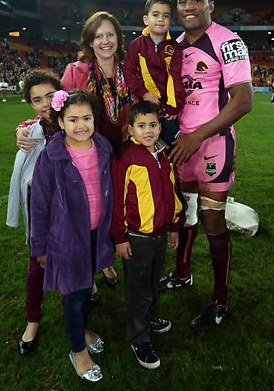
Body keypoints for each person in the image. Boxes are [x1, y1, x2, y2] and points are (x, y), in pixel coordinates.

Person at [159, 0, 253, 332]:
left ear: (210, 6)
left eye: (197, 0)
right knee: (184, 214)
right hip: (181, 146)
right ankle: (183, 274)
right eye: (183, 1)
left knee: (213, 220)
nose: (188, 6)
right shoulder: (174, 46)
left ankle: (221, 298)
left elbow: (244, 101)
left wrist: (197, 135)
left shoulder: (228, 42)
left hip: (212, 144)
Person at [30, 90, 114, 382]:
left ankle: (84, 329)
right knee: (74, 294)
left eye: (87, 118)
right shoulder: (52, 156)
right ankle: (78, 349)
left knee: (86, 284)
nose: (81, 125)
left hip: (95, 233)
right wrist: (39, 244)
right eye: (73, 119)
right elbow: (39, 203)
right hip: (65, 239)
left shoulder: (102, 147)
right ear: (61, 123)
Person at [62, 11, 137, 293]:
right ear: (89, 41)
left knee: (112, 210)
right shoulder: (75, 71)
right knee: (87, 212)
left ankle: (105, 260)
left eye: (110, 34)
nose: (105, 41)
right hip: (87, 156)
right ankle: (88, 272)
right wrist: (25, 126)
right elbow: (57, 112)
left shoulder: (131, 68)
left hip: (122, 152)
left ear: (118, 37)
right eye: (98, 36)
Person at [111, 101, 183, 369]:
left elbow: (171, 193)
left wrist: (175, 226)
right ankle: (139, 337)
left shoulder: (163, 155)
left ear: (160, 126)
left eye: (153, 125)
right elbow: (117, 201)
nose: (148, 130)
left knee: (152, 282)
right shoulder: (126, 159)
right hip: (137, 237)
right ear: (131, 130)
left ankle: (149, 317)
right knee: (137, 288)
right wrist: (119, 236)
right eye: (141, 126)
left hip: (160, 234)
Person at [6, 70, 61, 355]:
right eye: (37, 99)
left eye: (50, 96)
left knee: (74, 259)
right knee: (36, 263)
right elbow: (31, 124)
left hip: (71, 207)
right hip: (40, 205)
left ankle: (80, 313)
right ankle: (32, 319)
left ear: (60, 93)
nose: (45, 103)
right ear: (31, 104)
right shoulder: (33, 131)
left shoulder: (73, 121)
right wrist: (21, 127)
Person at [123, 0, 184, 146]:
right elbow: (129, 72)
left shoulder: (174, 48)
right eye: (155, 15)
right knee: (142, 146)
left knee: (172, 147)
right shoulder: (136, 45)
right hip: (143, 108)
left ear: (171, 21)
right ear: (145, 19)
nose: (160, 19)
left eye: (166, 16)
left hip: (166, 111)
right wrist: (144, 93)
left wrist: (173, 107)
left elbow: (175, 78)